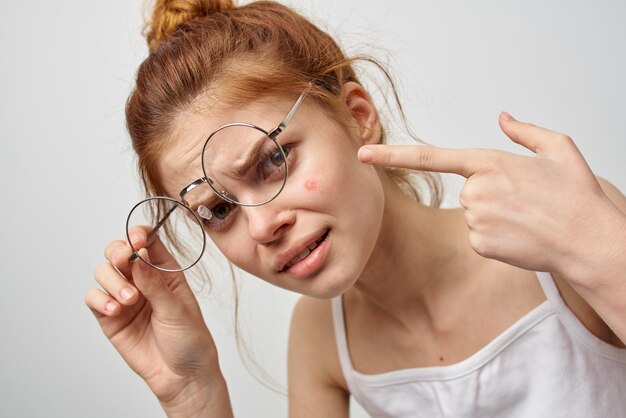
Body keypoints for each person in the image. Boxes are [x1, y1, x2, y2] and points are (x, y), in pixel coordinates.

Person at [85, 0, 626, 416]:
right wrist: (193, 393)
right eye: (217, 211)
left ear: (357, 115)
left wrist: (600, 243)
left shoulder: (556, 229)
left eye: (273, 159)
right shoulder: (323, 336)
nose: (263, 225)